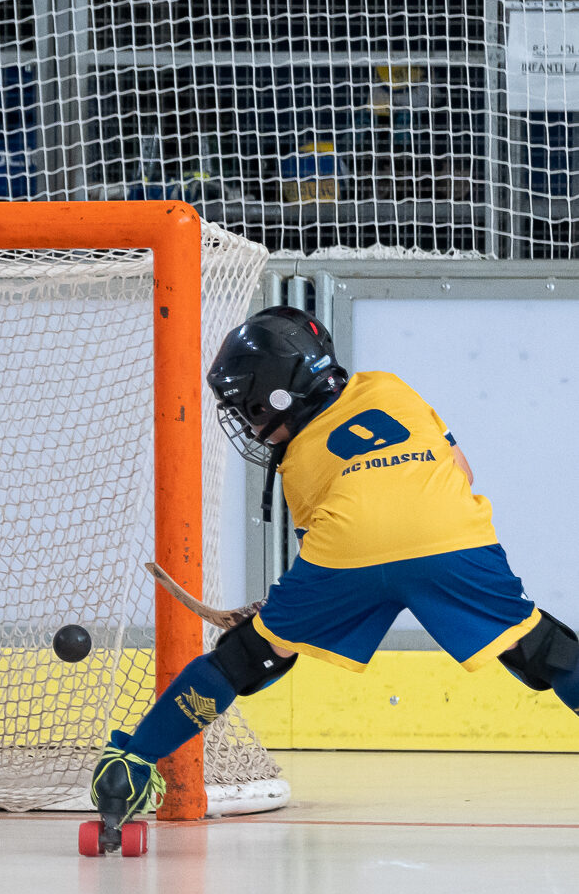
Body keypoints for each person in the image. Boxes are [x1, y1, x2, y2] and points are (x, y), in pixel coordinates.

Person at [91, 306, 578, 822]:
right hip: (451, 538)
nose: (249, 425)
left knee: (249, 656)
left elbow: (331, 544)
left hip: (348, 554)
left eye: (249, 410)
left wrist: (278, 618)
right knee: (540, 649)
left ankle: (130, 764)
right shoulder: (389, 386)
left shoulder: (298, 460)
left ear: (276, 396)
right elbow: (463, 471)